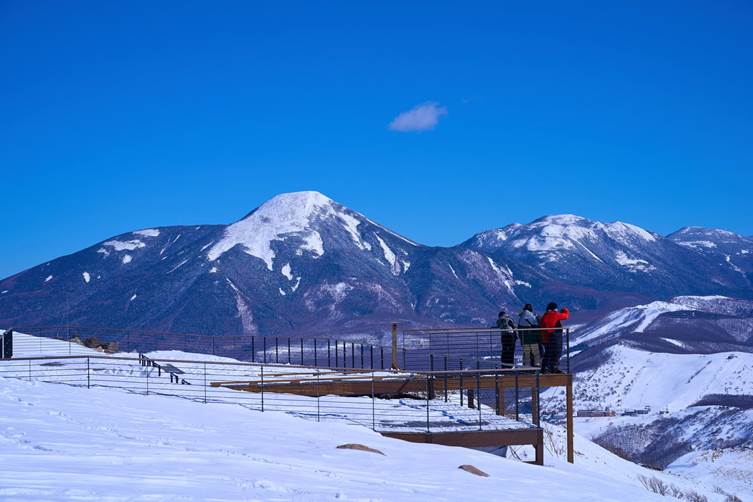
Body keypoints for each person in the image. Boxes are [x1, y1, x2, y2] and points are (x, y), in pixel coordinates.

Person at [540, 302, 569, 373]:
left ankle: (545, 368)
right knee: (557, 352)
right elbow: (566, 316)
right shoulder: (555, 314)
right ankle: (553, 368)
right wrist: (565, 310)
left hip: (546, 338)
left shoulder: (545, 315)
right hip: (556, 336)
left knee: (548, 353)